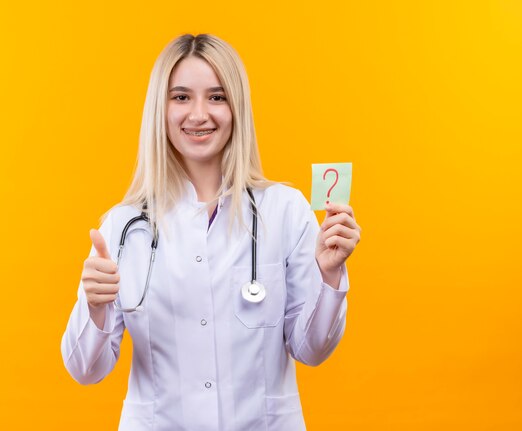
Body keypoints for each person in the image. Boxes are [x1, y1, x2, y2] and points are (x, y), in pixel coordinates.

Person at [61, 33, 361, 430]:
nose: (199, 114)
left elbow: (313, 349)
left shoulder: (286, 212)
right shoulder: (123, 226)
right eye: (181, 97)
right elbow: (86, 370)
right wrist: (95, 307)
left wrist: (329, 273)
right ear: (160, 109)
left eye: (217, 97)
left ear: (236, 108)